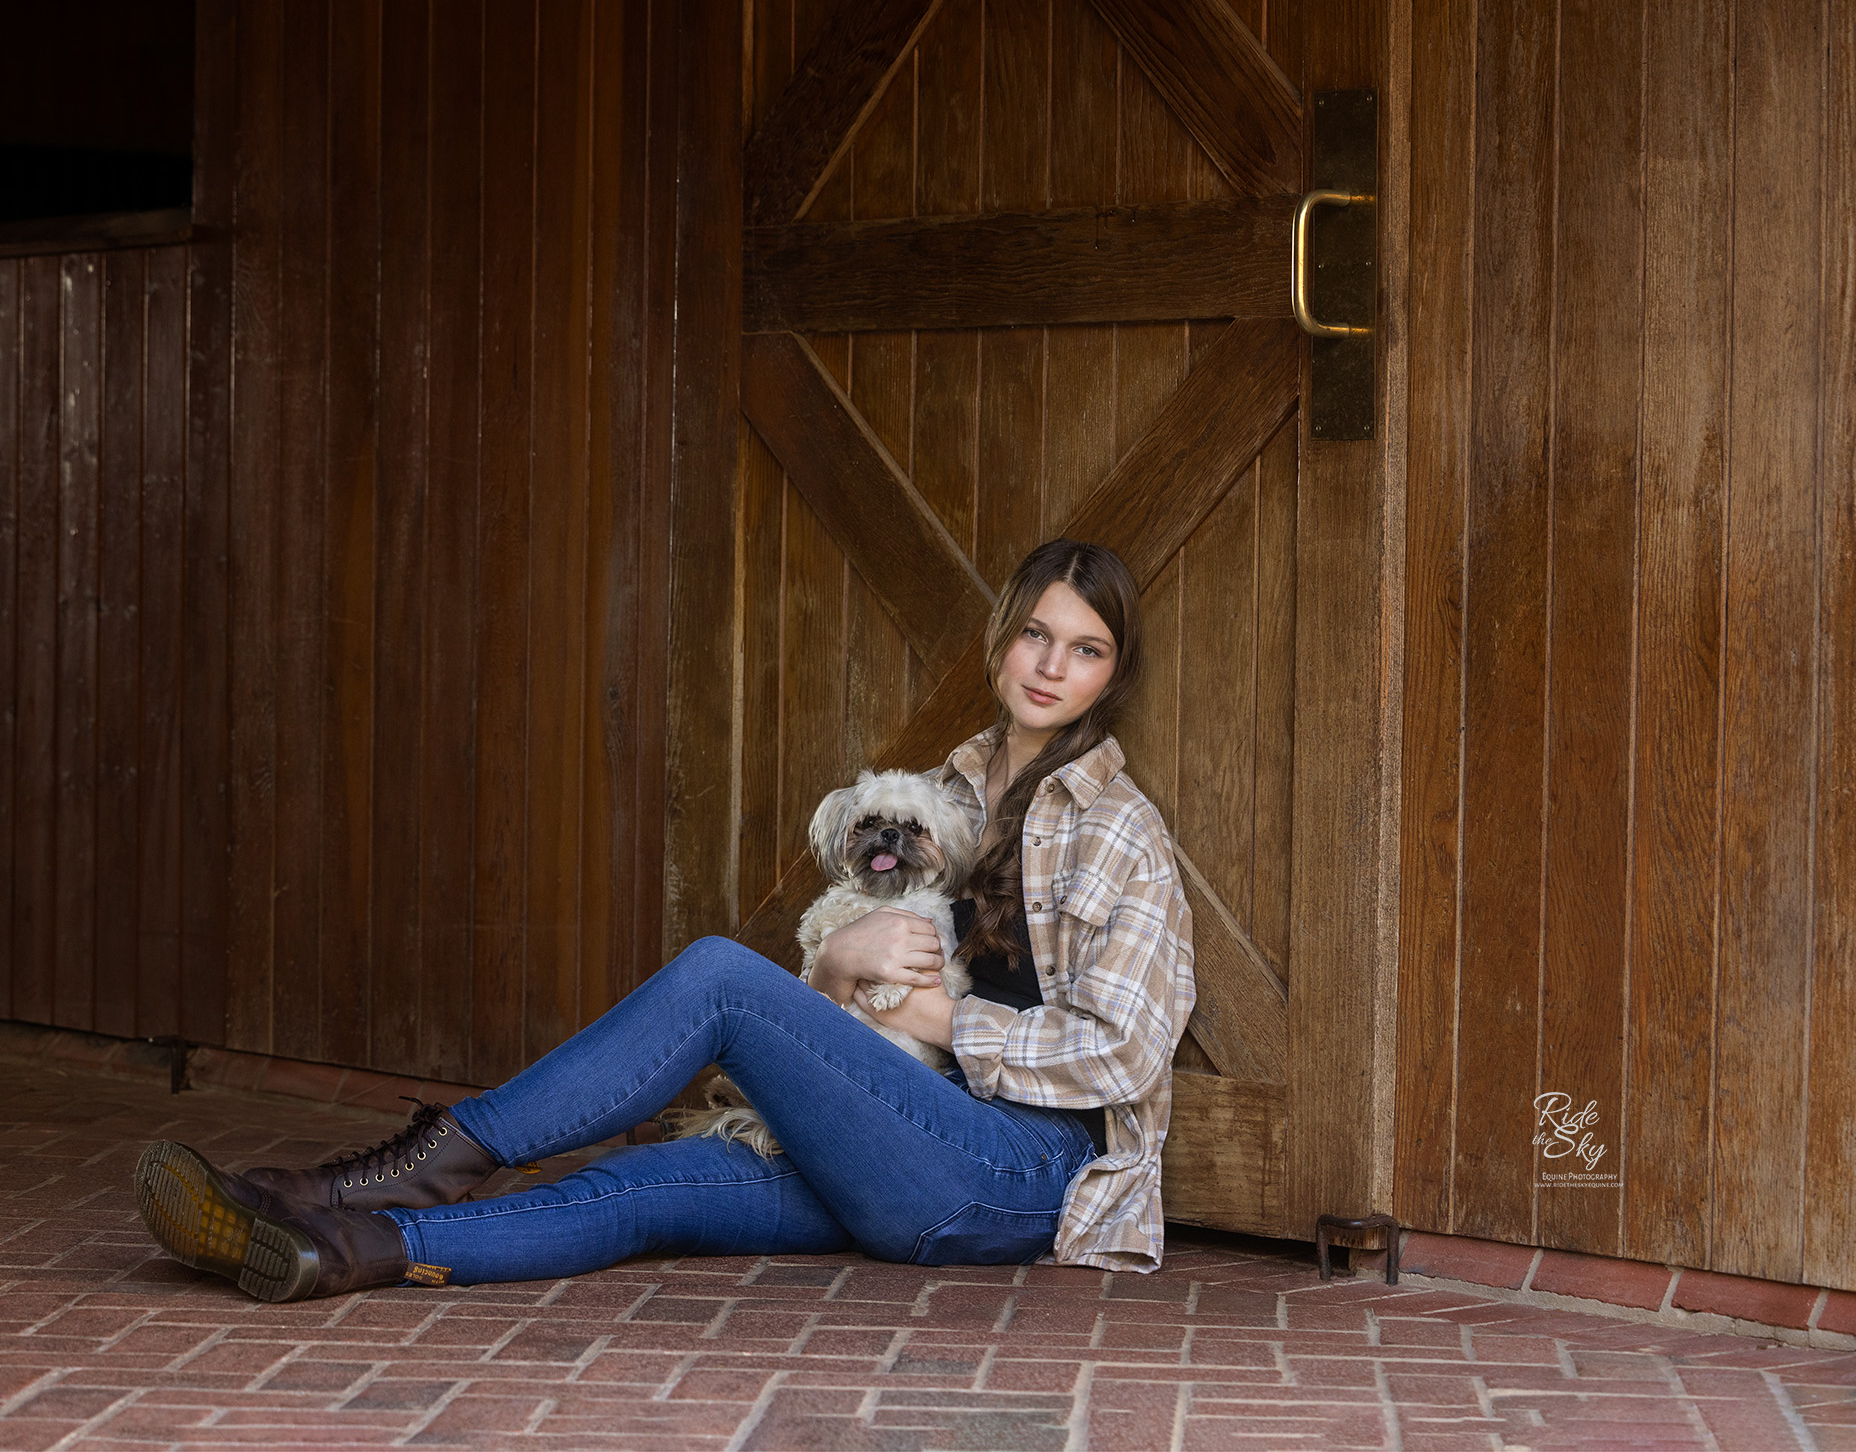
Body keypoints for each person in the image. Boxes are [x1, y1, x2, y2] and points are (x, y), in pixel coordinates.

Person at [134, 539, 1194, 1301]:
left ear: (1111, 676)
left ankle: (389, 1168)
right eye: (1035, 636)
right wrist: (834, 960)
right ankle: (342, 1244)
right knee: (640, 1189)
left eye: (1086, 649)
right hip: (889, 1146)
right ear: (1000, 640)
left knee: (721, 977)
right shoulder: (945, 796)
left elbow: (1127, 1049)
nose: (1051, 667)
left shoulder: (1116, 832)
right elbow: (859, 1004)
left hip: (1012, 1173)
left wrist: (943, 1021)